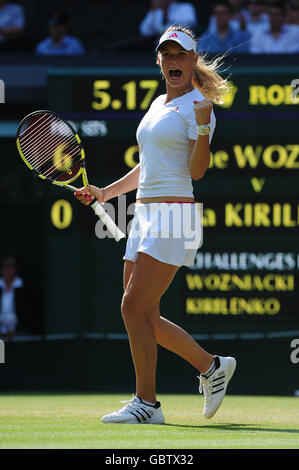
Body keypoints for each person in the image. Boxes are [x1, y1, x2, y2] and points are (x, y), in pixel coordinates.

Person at [75, 25, 236, 424]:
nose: (173, 60)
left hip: (174, 215)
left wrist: (202, 127)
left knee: (132, 306)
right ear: (159, 61)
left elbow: (197, 172)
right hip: (143, 215)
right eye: (167, 54)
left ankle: (147, 403)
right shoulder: (158, 103)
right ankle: (211, 366)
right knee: (144, 314)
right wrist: (107, 193)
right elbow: (147, 166)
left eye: (181, 54)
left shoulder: (200, 106)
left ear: (193, 60)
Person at [0, 254, 23, 339]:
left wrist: (14, 331)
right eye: (5, 266)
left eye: (10, 266)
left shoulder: (23, 288)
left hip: (19, 334)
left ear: (15, 269)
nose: (7, 270)